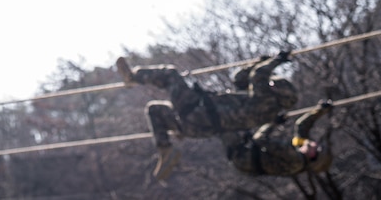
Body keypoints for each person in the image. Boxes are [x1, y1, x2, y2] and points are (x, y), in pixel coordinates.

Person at [116, 52, 299, 180]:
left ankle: (132, 77)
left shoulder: (266, 101)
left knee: (170, 75)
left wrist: (276, 61)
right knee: (155, 109)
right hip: (197, 127)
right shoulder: (264, 108)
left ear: (280, 94)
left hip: (199, 112)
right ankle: (165, 148)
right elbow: (240, 78)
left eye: (274, 86)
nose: (271, 85)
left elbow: (259, 76)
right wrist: (257, 63)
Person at [222, 100, 333, 177]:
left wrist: (273, 123)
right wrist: (320, 111)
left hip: (243, 158)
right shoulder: (301, 153)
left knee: (225, 124)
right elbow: (301, 126)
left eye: (317, 147)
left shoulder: (295, 159)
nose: (314, 143)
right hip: (250, 154)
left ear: (313, 155)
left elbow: (260, 139)